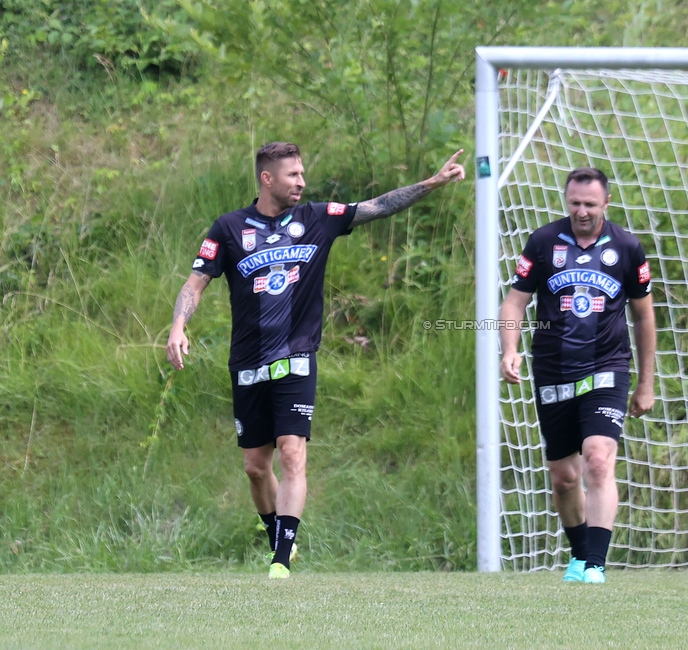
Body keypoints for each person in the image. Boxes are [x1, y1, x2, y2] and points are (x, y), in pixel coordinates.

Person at [166, 142, 465, 579]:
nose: (302, 182)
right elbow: (195, 284)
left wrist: (432, 184)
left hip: (297, 358)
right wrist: (178, 326)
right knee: (255, 467)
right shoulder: (229, 228)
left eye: (303, 174)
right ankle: (278, 536)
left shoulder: (318, 218)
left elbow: (378, 206)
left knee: (292, 453)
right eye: (292, 175)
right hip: (248, 362)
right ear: (267, 179)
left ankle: (281, 561)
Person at [499, 167, 656, 584]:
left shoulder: (625, 247)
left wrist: (646, 382)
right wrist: (509, 351)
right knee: (565, 478)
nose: (581, 211)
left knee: (599, 462)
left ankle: (596, 566)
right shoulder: (544, 242)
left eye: (590, 204)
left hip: (606, 368)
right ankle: (580, 555)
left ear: (606, 203)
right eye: (574, 203)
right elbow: (514, 303)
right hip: (553, 371)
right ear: (566, 200)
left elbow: (643, 317)